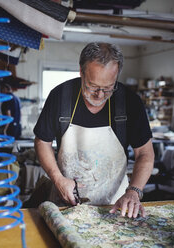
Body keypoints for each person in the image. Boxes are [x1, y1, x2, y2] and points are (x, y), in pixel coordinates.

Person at [33, 42, 154, 218]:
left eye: (107, 89)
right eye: (92, 86)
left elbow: (145, 153)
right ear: (81, 72)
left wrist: (134, 191)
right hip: (65, 203)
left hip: (115, 205)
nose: (99, 95)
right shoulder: (60, 96)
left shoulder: (130, 102)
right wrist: (57, 179)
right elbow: (42, 142)